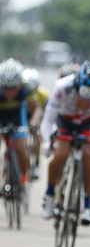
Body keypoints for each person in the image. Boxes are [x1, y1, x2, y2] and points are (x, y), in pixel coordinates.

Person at [39, 60, 90, 225]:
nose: (86, 103)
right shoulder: (61, 88)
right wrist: (47, 142)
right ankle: (50, 194)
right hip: (63, 121)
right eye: (82, 97)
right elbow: (47, 120)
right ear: (75, 88)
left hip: (87, 123)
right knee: (61, 153)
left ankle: (87, 204)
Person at [0, 58, 41, 194]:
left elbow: (36, 108)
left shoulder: (26, 87)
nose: (10, 92)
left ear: (19, 83)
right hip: (1, 118)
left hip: (18, 118)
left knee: (21, 148)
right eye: (6, 88)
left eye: (13, 88)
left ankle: (23, 178)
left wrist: (34, 122)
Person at [21, 67, 49, 181]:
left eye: (35, 88)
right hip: (23, 114)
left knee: (36, 133)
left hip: (36, 114)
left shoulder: (44, 94)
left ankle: (36, 164)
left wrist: (40, 128)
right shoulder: (22, 91)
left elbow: (46, 114)